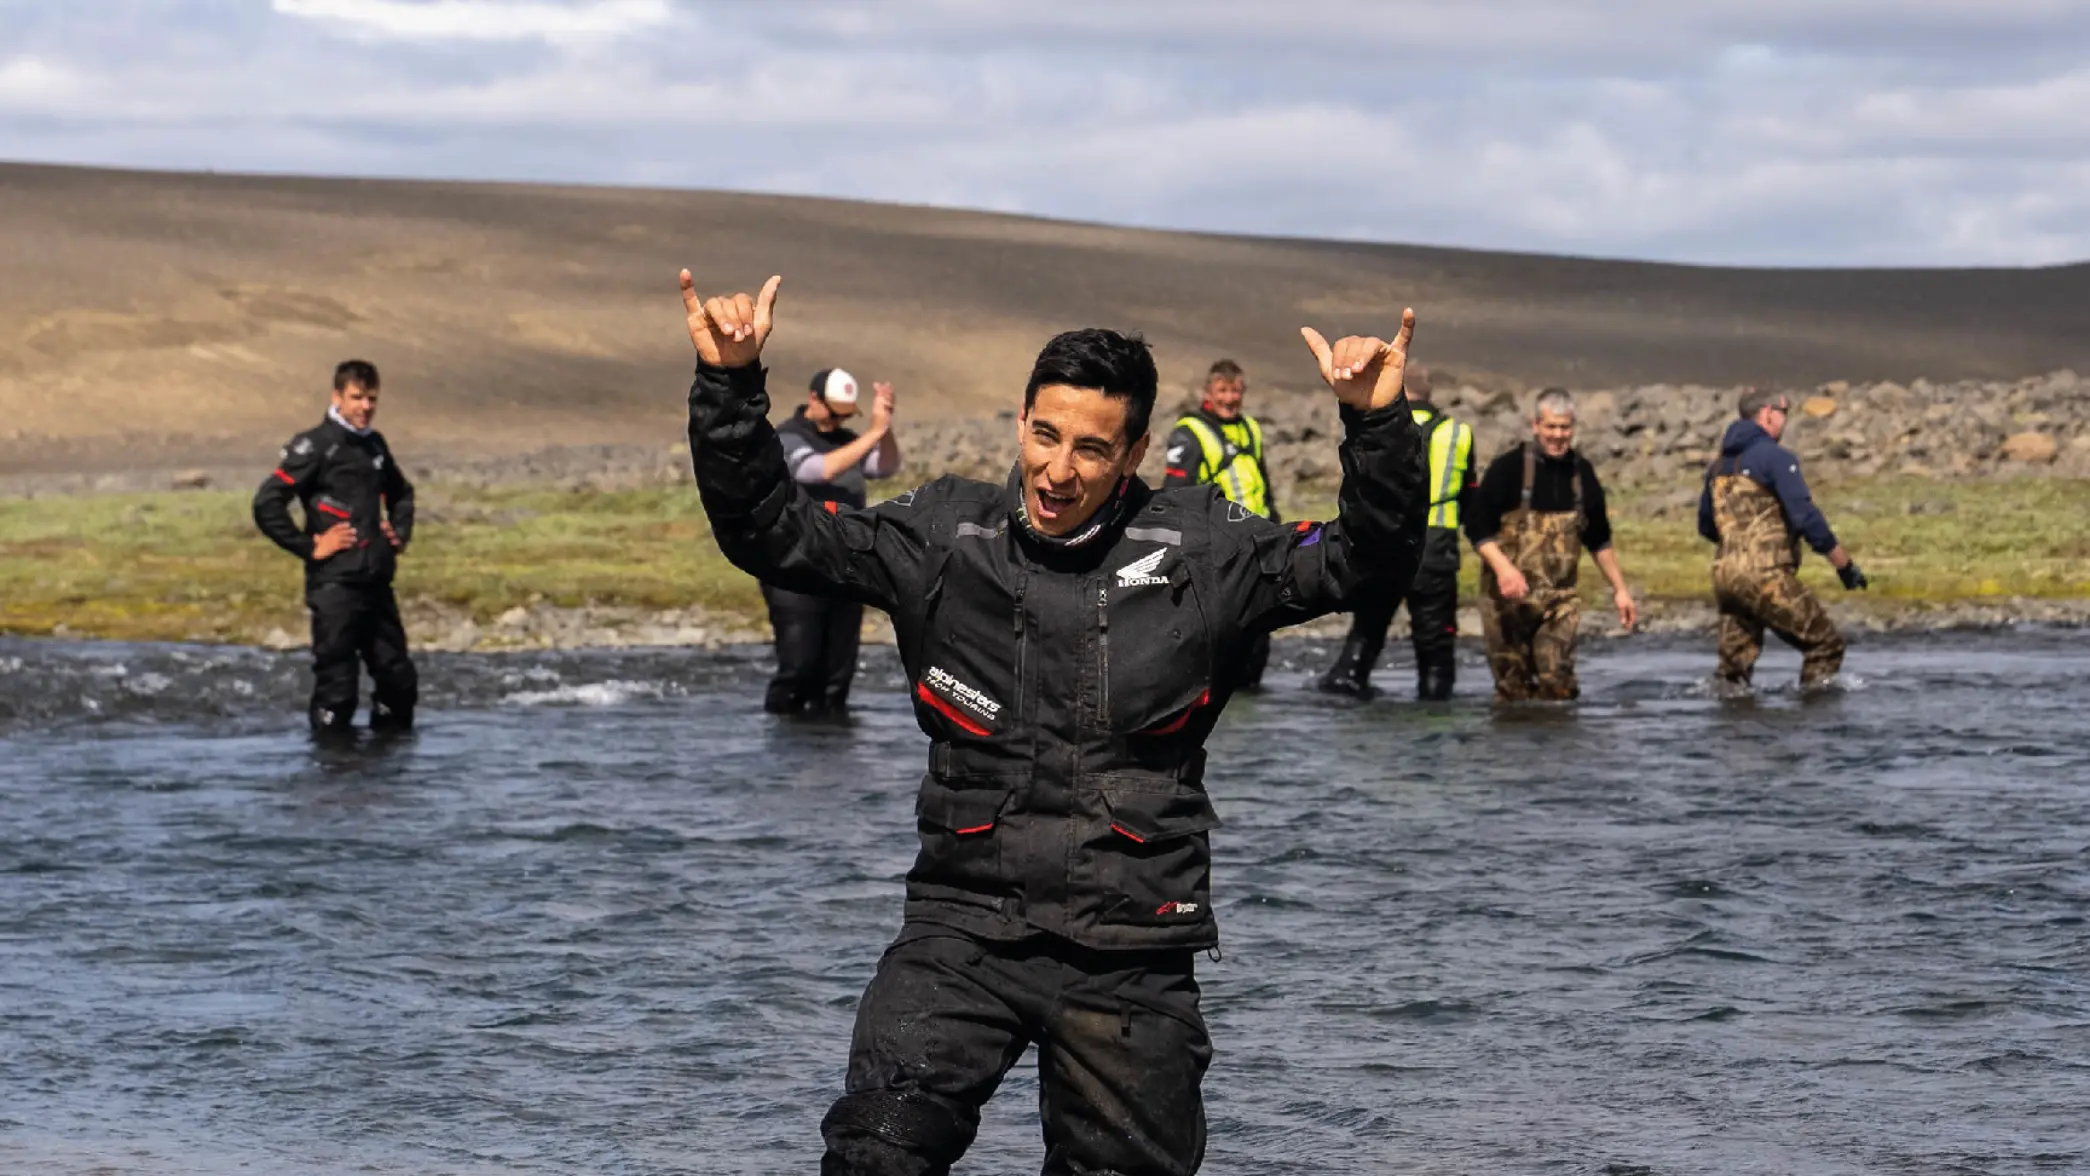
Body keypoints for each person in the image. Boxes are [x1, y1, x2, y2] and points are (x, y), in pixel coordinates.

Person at [679, 268, 1424, 1176]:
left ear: (1136, 451)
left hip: (1133, 946)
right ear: (1021, 422)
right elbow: (770, 531)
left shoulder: (1205, 551)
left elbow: (1365, 561)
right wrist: (729, 386)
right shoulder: (946, 537)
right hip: (963, 928)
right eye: (1045, 435)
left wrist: (1376, 424)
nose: (1058, 471)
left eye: (1091, 449)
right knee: (876, 1154)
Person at [252, 359, 418, 736]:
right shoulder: (315, 445)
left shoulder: (374, 444)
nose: (366, 406)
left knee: (398, 680)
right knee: (338, 687)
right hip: (334, 585)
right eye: (357, 398)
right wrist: (309, 546)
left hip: (376, 582)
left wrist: (398, 533)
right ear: (337, 397)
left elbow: (402, 493)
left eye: (372, 399)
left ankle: (393, 766)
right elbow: (267, 504)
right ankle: (332, 767)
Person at [1466, 387, 1637, 702]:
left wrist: (1620, 590)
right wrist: (1504, 569)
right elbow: (1477, 528)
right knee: (1513, 693)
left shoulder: (1582, 474)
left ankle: (1560, 734)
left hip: (1558, 603)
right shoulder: (1508, 468)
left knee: (1558, 684)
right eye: (1551, 427)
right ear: (1536, 426)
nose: (1558, 435)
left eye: (1565, 427)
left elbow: (1599, 539)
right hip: (1506, 603)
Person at [1317, 364, 1474, 699]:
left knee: (1367, 628)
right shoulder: (1458, 434)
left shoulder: (1380, 428)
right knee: (1435, 643)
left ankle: (1345, 692)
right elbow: (1470, 496)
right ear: (1430, 393)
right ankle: (1434, 707)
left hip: (1384, 545)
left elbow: (1358, 484)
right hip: (1435, 549)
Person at [1699, 386, 1867, 690]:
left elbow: (1707, 527)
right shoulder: (1775, 458)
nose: (1785, 421)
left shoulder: (1718, 467)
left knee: (1732, 672)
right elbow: (1806, 517)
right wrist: (1844, 565)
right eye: (1784, 413)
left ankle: (1731, 719)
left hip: (1726, 577)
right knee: (1825, 644)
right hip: (1766, 576)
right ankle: (1813, 711)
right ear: (1767, 414)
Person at [761, 367, 903, 714]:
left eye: (846, 415)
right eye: (835, 413)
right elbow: (817, 470)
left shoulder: (848, 440)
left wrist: (884, 427)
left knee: (837, 674)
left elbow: (885, 466)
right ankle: (785, 735)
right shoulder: (786, 438)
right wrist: (873, 432)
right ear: (814, 399)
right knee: (799, 666)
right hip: (794, 566)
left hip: (845, 565)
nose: (839, 422)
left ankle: (833, 737)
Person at [1162, 358, 1279, 689]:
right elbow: (1175, 495)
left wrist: (1276, 532)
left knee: (1259, 632)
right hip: (1217, 551)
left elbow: (1264, 486)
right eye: (1223, 391)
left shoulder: (1251, 428)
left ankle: (1250, 698)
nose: (1230, 398)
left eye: (1236, 391)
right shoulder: (1189, 433)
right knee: (1222, 634)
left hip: (1257, 544)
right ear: (1208, 393)